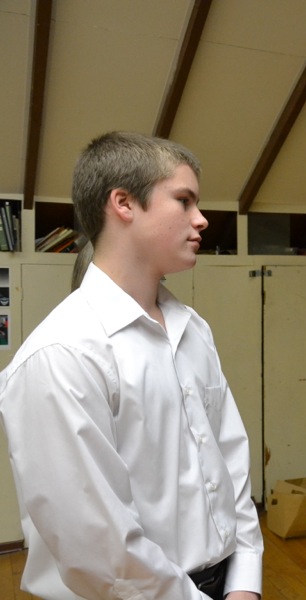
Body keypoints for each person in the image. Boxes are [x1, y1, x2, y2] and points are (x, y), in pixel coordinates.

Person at [0, 131, 263, 600]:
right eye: (183, 200)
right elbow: (99, 550)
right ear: (123, 203)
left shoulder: (192, 329)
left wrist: (244, 581)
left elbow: (230, 462)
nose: (201, 219)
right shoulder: (62, 354)